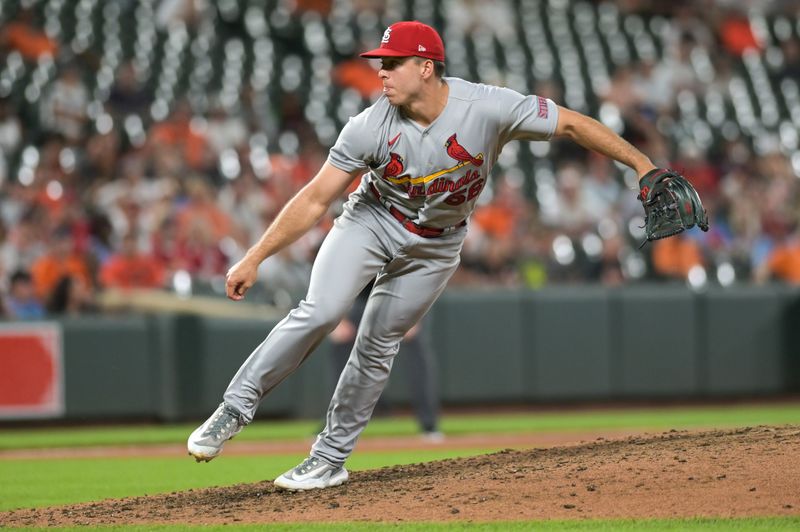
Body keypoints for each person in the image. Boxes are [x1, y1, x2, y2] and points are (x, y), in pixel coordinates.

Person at [187, 21, 658, 491]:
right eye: (381, 64)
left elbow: (573, 123)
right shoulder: (369, 126)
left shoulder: (487, 106)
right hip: (371, 221)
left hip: (438, 242)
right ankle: (233, 409)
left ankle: (329, 459)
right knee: (321, 310)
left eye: (393, 64)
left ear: (427, 67)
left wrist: (644, 165)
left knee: (377, 344)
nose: (382, 73)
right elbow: (314, 199)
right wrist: (255, 256)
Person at [327, 280, 442, 440]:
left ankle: (429, 425)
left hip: (406, 295)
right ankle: (333, 426)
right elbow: (337, 273)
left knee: (416, 350)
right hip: (364, 297)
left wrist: (416, 310)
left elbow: (425, 268)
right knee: (341, 345)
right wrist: (336, 317)